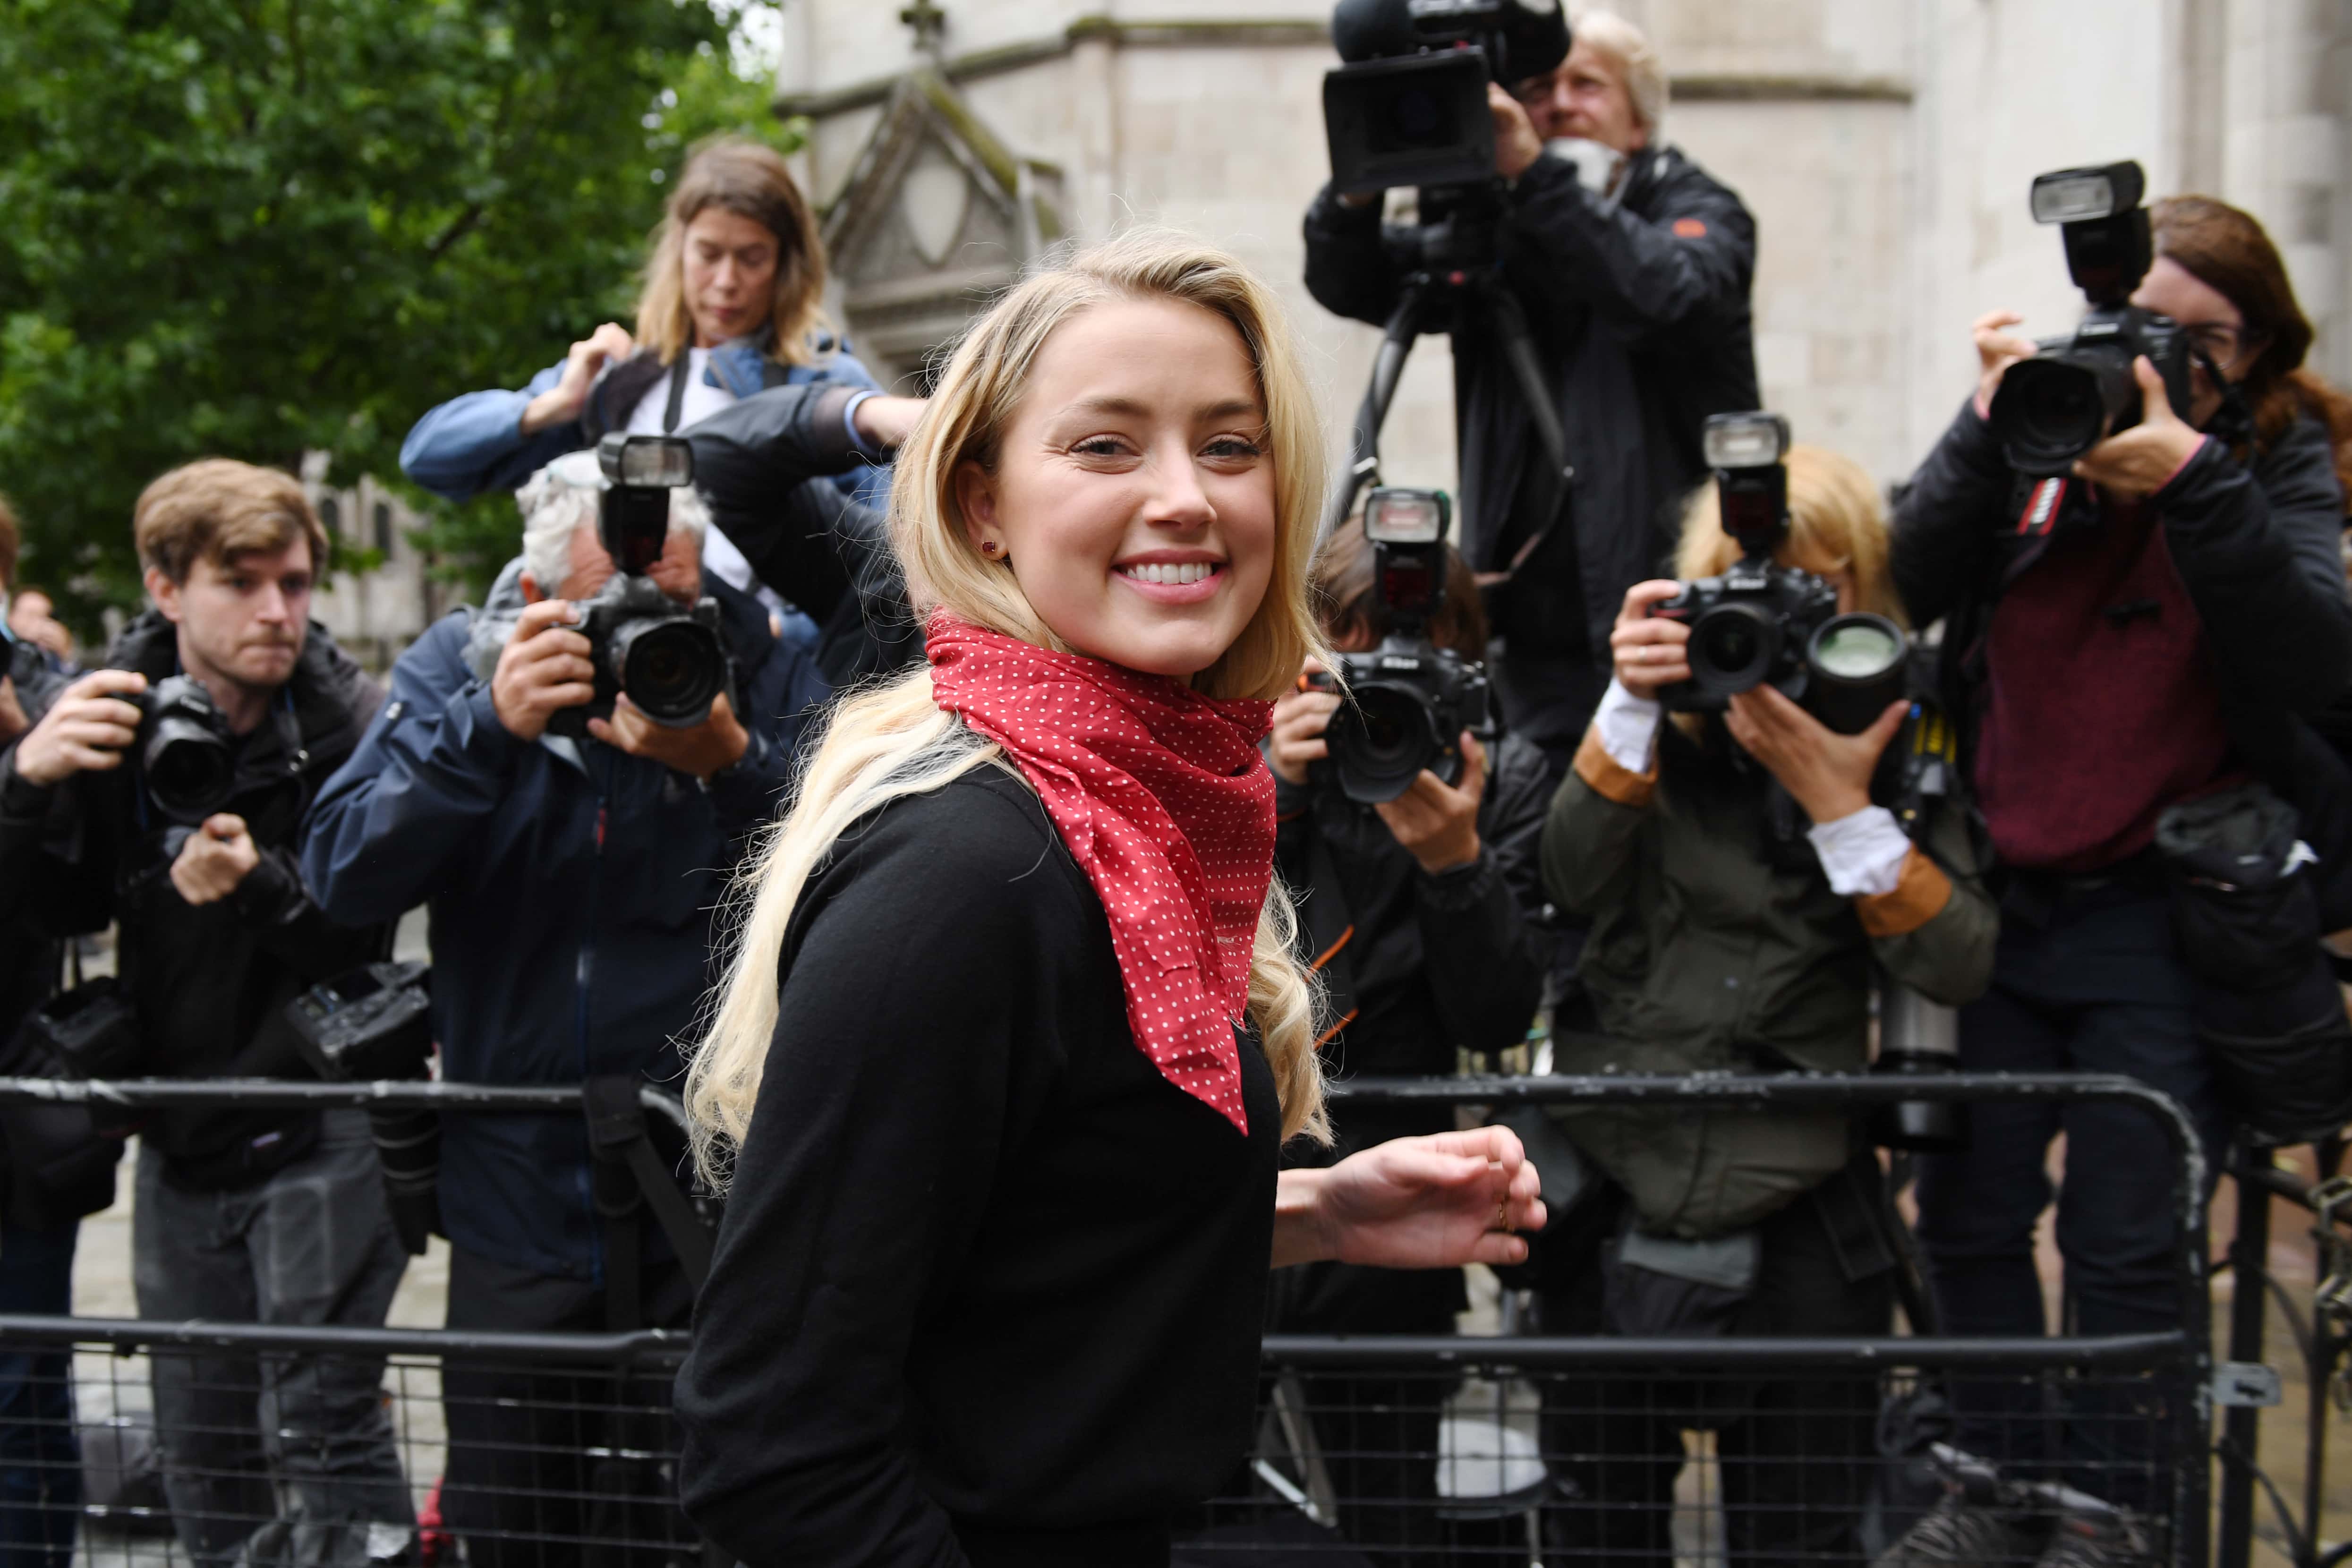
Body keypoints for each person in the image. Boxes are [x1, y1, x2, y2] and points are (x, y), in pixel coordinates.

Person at [671, 230, 1547, 1568]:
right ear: (981, 506)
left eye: (1230, 446)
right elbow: (772, 1451)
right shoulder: (967, 874)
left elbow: (1012, 1247)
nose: (1186, 497)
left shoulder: (1149, 807)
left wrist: (1315, 1213)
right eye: (1105, 446)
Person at [1885, 195, 2352, 1556]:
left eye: (2196, 339)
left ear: (2253, 354)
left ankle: (2112, 1512)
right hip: (2002, 896)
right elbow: (1904, 575)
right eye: (2133, 323)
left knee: (2125, 1235)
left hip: (2161, 911)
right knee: (1967, 1212)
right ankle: (1990, 1479)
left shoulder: (2268, 459)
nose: (2151, 357)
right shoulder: (2036, 434)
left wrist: (2193, 480)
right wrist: (1985, 428)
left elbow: (2317, 658)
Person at [301, 455, 827, 1568]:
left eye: (673, 598)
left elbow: (863, 874)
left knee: (708, 1521)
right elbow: (340, 875)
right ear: (540, 598)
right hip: (517, 1196)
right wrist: (485, 733)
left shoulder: (763, 657)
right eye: (610, 607)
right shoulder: (462, 667)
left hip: (715, 1200)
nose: (648, 629)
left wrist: (732, 762)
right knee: (513, 1520)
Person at [1537, 446, 1997, 1565]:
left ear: (1862, 597)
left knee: (1802, 1534)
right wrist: (1630, 701)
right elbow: (1568, 879)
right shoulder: (1651, 725)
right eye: (1746, 591)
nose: (1771, 625)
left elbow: (1958, 960)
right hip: (1618, 1166)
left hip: (1801, 1183)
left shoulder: (1899, 739)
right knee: (1597, 1530)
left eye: (1813, 590)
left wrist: (1841, 805)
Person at [0, 461, 411, 1568]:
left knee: (325, 1430)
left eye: (296, 582)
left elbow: (373, 948)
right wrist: (28, 783)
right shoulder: (109, 710)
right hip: (178, 1126)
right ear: (166, 587)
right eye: (242, 583)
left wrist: (261, 889)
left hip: (321, 1118)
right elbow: (52, 912)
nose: (278, 612)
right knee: (201, 1446)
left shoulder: (351, 719)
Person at [1302, 9, 1758, 773]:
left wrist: (1534, 175)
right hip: (1532, 648)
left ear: (1640, 122)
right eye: (1540, 89)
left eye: (1588, 85)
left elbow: (1667, 292)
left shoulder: (1694, 207)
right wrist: (1361, 177)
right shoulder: (1506, 227)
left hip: (1677, 626)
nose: (1559, 106)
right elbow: (1352, 280)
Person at [1241, 527, 1553, 1558]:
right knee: (1198, 1493)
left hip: (1394, 1176)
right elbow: (1196, 963)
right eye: (1355, 645)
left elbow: (1496, 1018)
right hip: (1238, 1154)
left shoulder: (1495, 777)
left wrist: (1457, 865)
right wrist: (1269, 796)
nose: (1381, 679)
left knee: (1392, 1511)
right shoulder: (1245, 760)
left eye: (1415, 648)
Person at [398, 136, 889, 666]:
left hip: (773, 678)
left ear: (786, 263)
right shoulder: (621, 379)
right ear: (679, 249)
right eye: (709, 254)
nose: (726, 281)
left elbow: (896, 553)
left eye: (752, 258)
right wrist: (555, 405)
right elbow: (428, 459)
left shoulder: (828, 383)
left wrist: (783, 634)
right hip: (623, 665)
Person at [0, 494, 98, 1568]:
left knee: (21, 1405)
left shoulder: (39, 698)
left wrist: (31, 776)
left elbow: (76, 900)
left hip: (14, 1127)